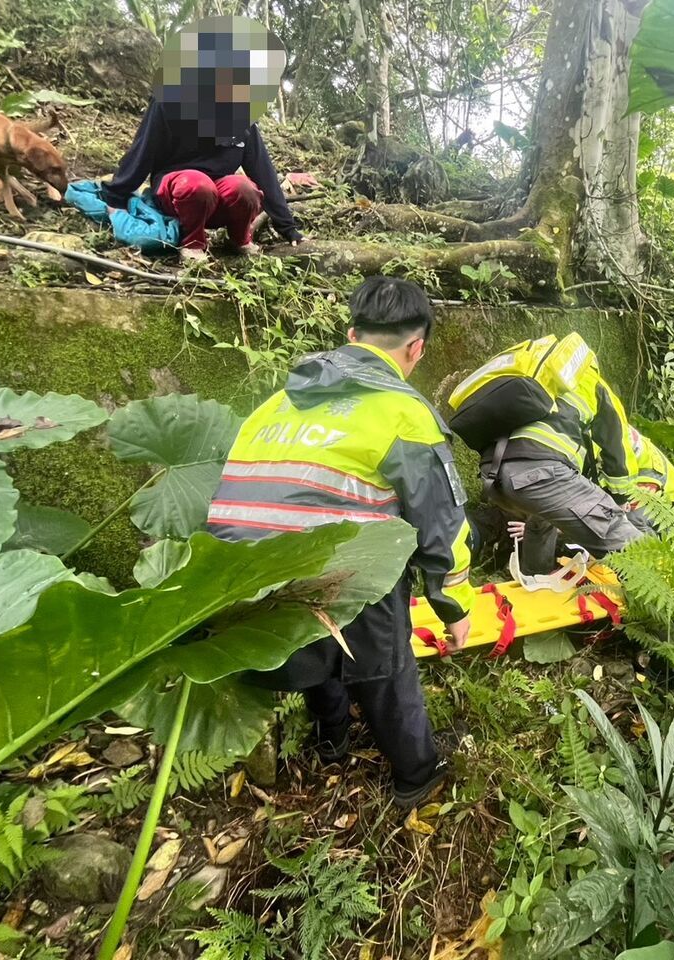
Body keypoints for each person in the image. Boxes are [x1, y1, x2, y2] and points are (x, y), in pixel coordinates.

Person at [207, 276, 474, 810]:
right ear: (416, 347)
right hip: (330, 577)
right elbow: (440, 523)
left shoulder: (279, 401)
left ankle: (332, 738)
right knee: (384, 648)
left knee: (309, 611)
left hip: (236, 577)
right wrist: (453, 606)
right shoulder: (403, 411)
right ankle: (416, 775)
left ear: (351, 333)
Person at [101, 17, 311, 261]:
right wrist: (115, 199)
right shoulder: (170, 101)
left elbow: (264, 173)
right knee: (197, 184)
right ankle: (192, 243)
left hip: (218, 199)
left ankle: (240, 238)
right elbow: (142, 152)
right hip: (178, 193)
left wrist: (289, 228)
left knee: (245, 187)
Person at [479, 336, 645, 575]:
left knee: (540, 521)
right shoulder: (594, 384)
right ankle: (662, 610)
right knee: (632, 545)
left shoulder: (540, 382)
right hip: (541, 471)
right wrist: (617, 504)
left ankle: (536, 585)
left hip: (493, 475)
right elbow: (619, 457)